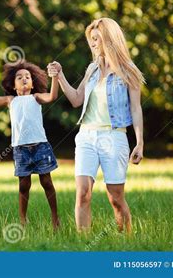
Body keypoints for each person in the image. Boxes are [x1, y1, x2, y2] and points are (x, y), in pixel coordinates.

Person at [48, 17, 144, 233]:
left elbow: (136, 109)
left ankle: (127, 241)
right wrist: (60, 75)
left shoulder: (128, 71)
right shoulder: (92, 69)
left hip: (114, 137)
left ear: (109, 39)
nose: (92, 44)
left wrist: (139, 142)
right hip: (86, 137)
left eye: (95, 39)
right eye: (90, 39)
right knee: (83, 193)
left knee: (115, 197)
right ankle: (83, 246)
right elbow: (76, 99)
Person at [0, 60, 61, 229]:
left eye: (28, 77)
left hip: (40, 146)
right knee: (24, 185)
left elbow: (52, 96)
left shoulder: (36, 97)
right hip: (20, 149)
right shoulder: (11, 100)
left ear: (33, 84)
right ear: (13, 85)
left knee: (47, 182)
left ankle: (55, 217)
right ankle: (22, 220)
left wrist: (54, 77)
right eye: (19, 77)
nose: (24, 79)